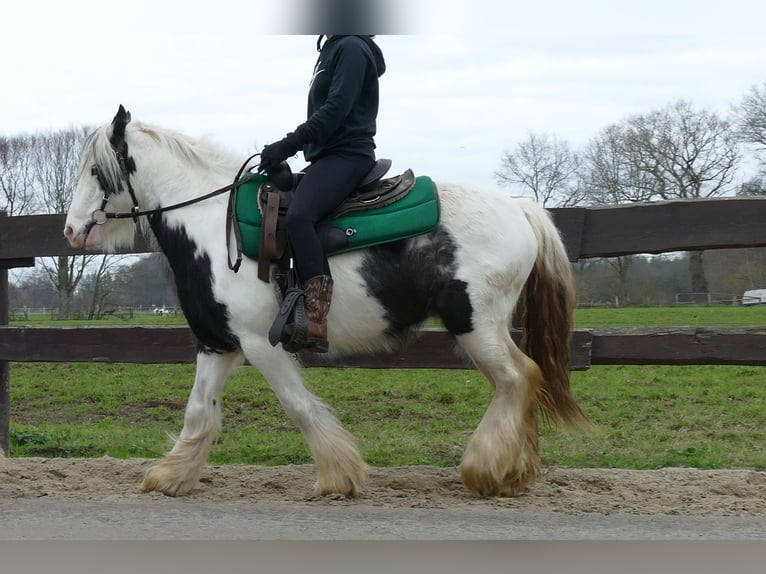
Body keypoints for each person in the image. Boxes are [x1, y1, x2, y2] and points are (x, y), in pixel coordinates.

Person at [258, 35, 386, 353]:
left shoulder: (352, 48)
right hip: (327, 158)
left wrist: (287, 145)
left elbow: (336, 109)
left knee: (300, 217)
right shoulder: (332, 49)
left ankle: (315, 318)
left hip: (348, 155)